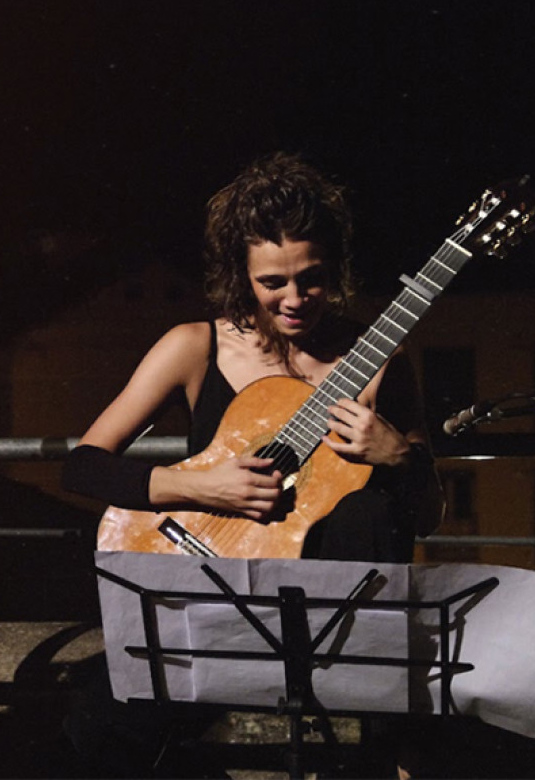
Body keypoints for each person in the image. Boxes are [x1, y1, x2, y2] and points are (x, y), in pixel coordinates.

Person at [60, 152, 444, 777]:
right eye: (273, 283)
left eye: (312, 278)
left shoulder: (376, 361)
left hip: (330, 631)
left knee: (370, 511)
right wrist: (201, 485)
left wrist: (399, 456)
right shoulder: (193, 346)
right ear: (241, 274)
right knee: (96, 728)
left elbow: (426, 519)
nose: (295, 300)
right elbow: (82, 468)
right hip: (207, 605)